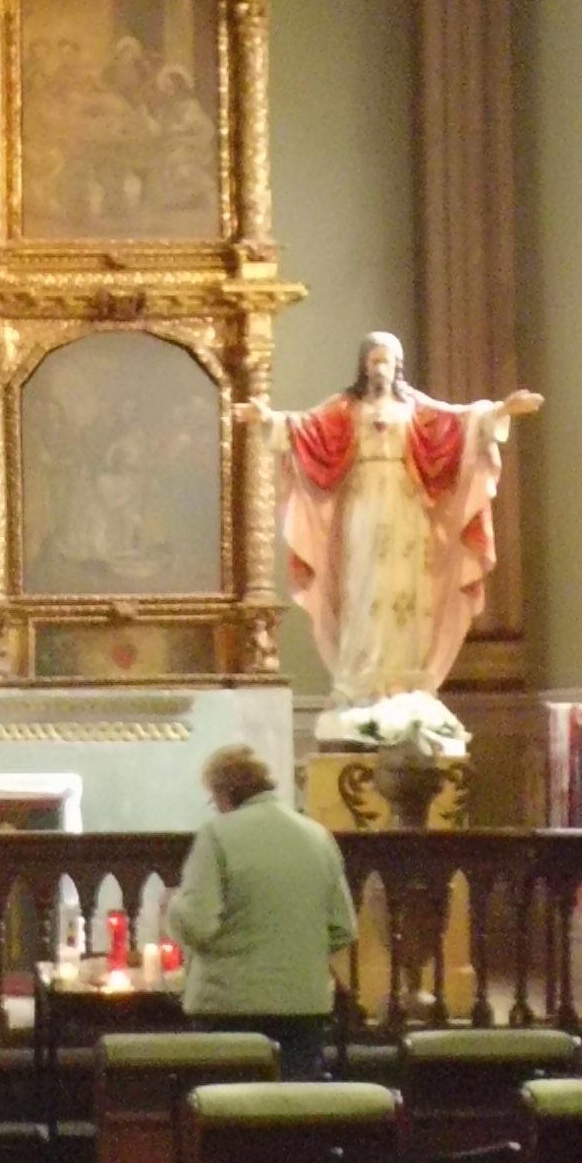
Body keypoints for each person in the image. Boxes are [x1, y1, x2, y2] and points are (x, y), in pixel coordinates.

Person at [277, 328, 541, 731]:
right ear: (364, 365)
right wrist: (266, 420)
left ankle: (404, 683)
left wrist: (501, 410)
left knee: (406, 590)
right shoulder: (346, 409)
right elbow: (304, 428)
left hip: (406, 509)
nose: (381, 368)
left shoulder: (415, 409)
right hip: (363, 507)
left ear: (397, 366)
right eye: (374, 360)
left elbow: (461, 420)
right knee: (363, 590)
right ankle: (361, 680)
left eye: (388, 361)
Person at [165, 743, 354, 1076]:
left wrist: (173, 906)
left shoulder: (217, 835)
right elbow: (342, 927)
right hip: (303, 1005)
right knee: (290, 1113)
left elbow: (198, 924)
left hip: (230, 1007)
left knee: (229, 1114)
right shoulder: (318, 836)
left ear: (224, 792)